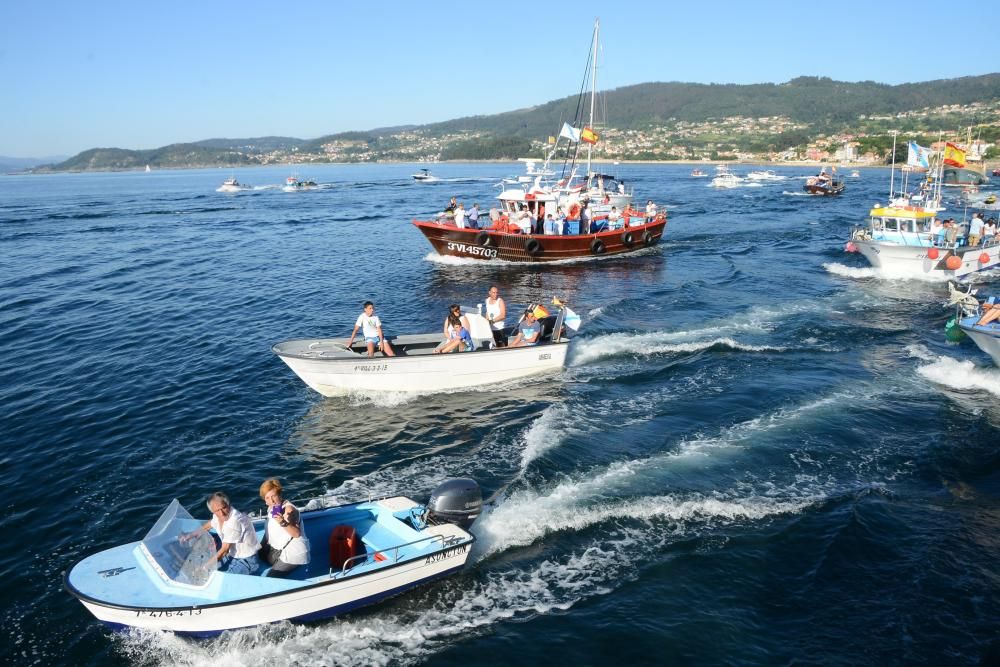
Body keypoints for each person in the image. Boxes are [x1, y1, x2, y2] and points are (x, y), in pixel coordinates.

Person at [184, 492, 260, 575]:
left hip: (246, 560)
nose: (221, 513)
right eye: (217, 510)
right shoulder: (218, 515)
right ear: (213, 511)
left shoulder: (234, 521)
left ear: (228, 505)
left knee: (222, 581)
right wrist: (191, 535)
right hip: (232, 553)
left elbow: (224, 551)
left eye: (223, 508)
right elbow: (211, 523)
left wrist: (204, 568)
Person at [257, 479, 310, 578]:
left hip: (293, 553)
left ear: (280, 495)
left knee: (270, 578)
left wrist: (282, 522)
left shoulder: (289, 510)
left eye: (274, 496)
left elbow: (296, 533)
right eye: (267, 498)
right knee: (255, 555)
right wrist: (259, 547)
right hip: (278, 549)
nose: (271, 500)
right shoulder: (272, 508)